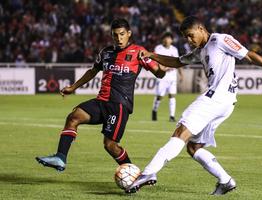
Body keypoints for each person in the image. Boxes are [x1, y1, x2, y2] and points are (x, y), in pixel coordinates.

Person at [126, 16, 262, 195]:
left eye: (190, 35)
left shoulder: (219, 40)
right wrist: (152, 55)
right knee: (193, 148)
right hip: (225, 102)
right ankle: (225, 181)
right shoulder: (200, 51)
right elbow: (177, 62)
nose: (189, 40)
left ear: (201, 29)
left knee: (181, 132)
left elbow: (248, 55)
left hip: (217, 97)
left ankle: (148, 173)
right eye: (186, 37)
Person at [35, 18, 166, 172]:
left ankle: (135, 175)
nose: (119, 38)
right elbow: (92, 71)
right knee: (73, 117)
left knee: (110, 145)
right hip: (101, 101)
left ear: (129, 34)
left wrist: (162, 68)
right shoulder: (106, 52)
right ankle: (60, 157)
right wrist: (73, 87)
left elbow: (159, 74)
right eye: (115, 35)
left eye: (122, 34)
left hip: (119, 105)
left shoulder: (138, 52)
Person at [152, 32, 183, 122]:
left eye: (169, 38)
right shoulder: (158, 48)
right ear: (163, 39)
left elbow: (178, 62)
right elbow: (156, 60)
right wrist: (163, 67)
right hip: (162, 76)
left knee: (172, 95)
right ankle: (154, 110)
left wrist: (181, 74)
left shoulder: (174, 49)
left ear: (172, 40)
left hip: (172, 76)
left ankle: (172, 116)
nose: (167, 40)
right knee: (160, 96)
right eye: (165, 38)